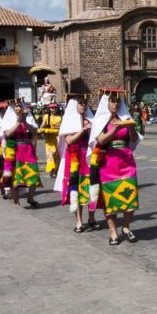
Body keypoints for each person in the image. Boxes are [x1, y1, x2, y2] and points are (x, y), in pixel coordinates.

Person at [90, 88, 142, 245]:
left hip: (126, 160)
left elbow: (133, 139)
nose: (115, 104)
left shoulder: (124, 118)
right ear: (106, 103)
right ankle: (113, 232)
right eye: (112, 101)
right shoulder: (101, 121)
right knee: (110, 199)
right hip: (108, 163)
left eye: (118, 101)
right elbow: (101, 140)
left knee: (131, 196)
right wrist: (117, 129)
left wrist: (131, 127)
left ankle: (126, 227)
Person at [54, 94, 98, 233]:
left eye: (85, 103)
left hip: (88, 156)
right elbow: (69, 140)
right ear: (75, 105)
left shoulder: (90, 119)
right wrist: (83, 130)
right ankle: (79, 221)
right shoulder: (70, 120)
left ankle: (92, 218)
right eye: (80, 103)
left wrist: (93, 128)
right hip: (75, 157)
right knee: (76, 188)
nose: (83, 106)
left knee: (91, 187)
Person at [2, 101, 41, 207]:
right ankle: (16, 202)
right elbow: (8, 133)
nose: (18, 107)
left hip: (28, 150)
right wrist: (18, 122)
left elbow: (34, 132)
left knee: (33, 174)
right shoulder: (8, 118)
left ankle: (30, 198)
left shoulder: (28, 117)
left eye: (20, 105)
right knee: (15, 177)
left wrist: (24, 121)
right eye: (16, 106)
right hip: (15, 151)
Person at [38, 103, 63, 178]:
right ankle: (52, 170)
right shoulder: (46, 116)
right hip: (49, 138)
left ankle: (56, 170)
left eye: (55, 108)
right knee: (51, 154)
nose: (53, 109)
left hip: (59, 137)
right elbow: (42, 125)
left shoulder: (61, 117)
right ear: (49, 109)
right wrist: (41, 129)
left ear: (57, 108)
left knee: (57, 155)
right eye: (52, 108)